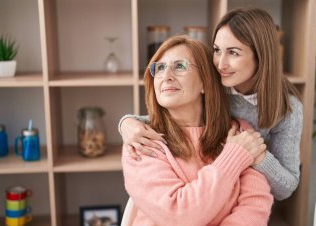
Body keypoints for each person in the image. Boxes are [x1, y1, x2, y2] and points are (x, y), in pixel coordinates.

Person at [119, 7, 303, 201]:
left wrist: (257, 156)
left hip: (246, 195)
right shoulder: (214, 80)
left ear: (261, 56)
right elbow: (173, 116)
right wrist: (127, 123)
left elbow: (287, 187)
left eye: (233, 52)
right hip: (203, 187)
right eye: (217, 50)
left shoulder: (288, 108)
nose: (220, 64)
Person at [122, 35, 273, 226]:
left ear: (204, 82)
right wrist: (234, 156)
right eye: (160, 68)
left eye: (179, 66)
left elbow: (254, 214)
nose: (167, 75)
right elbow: (180, 216)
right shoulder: (141, 142)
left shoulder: (240, 132)